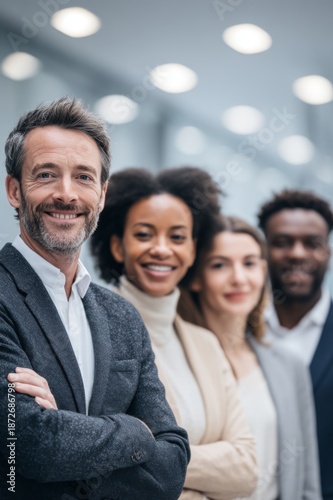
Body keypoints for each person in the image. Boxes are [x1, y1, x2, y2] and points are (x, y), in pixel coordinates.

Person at [0, 97, 190, 500]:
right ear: (14, 189)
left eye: (83, 177)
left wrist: (67, 432)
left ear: (101, 195)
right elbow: (26, 446)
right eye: (47, 174)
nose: (66, 194)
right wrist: (135, 431)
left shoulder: (121, 315)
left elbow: (172, 465)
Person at [90, 167, 258, 500]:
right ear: (117, 246)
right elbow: (102, 466)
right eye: (144, 234)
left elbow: (248, 468)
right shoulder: (94, 332)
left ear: (193, 249)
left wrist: (158, 459)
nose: (162, 249)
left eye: (177, 237)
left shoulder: (205, 343)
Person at [178, 214, 322, 500]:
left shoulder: (288, 365)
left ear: (263, 271)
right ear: (196, 278)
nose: (239, 279)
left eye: (249, 263)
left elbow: (306, 478)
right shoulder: (174, 360)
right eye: (220, 265)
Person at [258, 189, 333, 500]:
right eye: (282, 242)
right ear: (262, 251)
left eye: (311, 243)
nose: (297, 253)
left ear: (327, 252)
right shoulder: (236, 335)